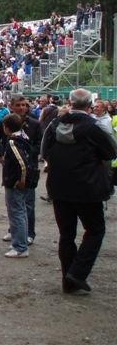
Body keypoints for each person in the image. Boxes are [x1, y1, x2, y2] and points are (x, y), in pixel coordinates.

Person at [42, 88, 116, 293]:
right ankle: (77, 272)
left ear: (70, 102)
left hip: (58, 187)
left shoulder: (55, 124)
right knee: (95, 230)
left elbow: (44, 151)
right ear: (89, 105)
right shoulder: (94, 126)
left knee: (66, 234)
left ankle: (68, 281)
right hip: (88, 188)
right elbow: (110, 152)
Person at [0, 113, 33, 258]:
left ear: (7, 128)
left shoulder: (13, 142)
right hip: (17, 181)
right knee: (21, 212)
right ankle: (20, 240)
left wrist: (21, 180)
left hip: (14, 182)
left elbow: (22, 163)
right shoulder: (24, 137)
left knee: (16, 213)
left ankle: (20, 247)